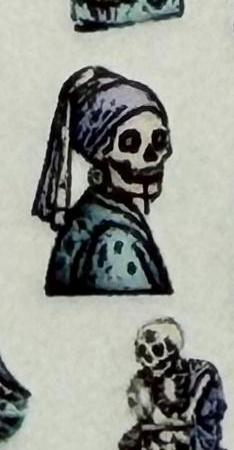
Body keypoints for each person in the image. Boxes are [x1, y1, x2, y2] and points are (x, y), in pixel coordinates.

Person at [30, 68, 173, 296]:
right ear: (99, 153)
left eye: (159, 140)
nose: (151, 157)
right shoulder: (115, 241)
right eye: (130, 142)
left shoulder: (92, 212)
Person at [117, 319, 227, 450]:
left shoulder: (201, 373)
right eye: (142, 350)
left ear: (173, 351)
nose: (148, 359)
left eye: (157, 350)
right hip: (171, 430)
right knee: (147, 441)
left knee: (163, 436)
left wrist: (159, 424)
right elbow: (150, 416)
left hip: (201, 434)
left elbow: (187, 418)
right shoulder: (152, 380)